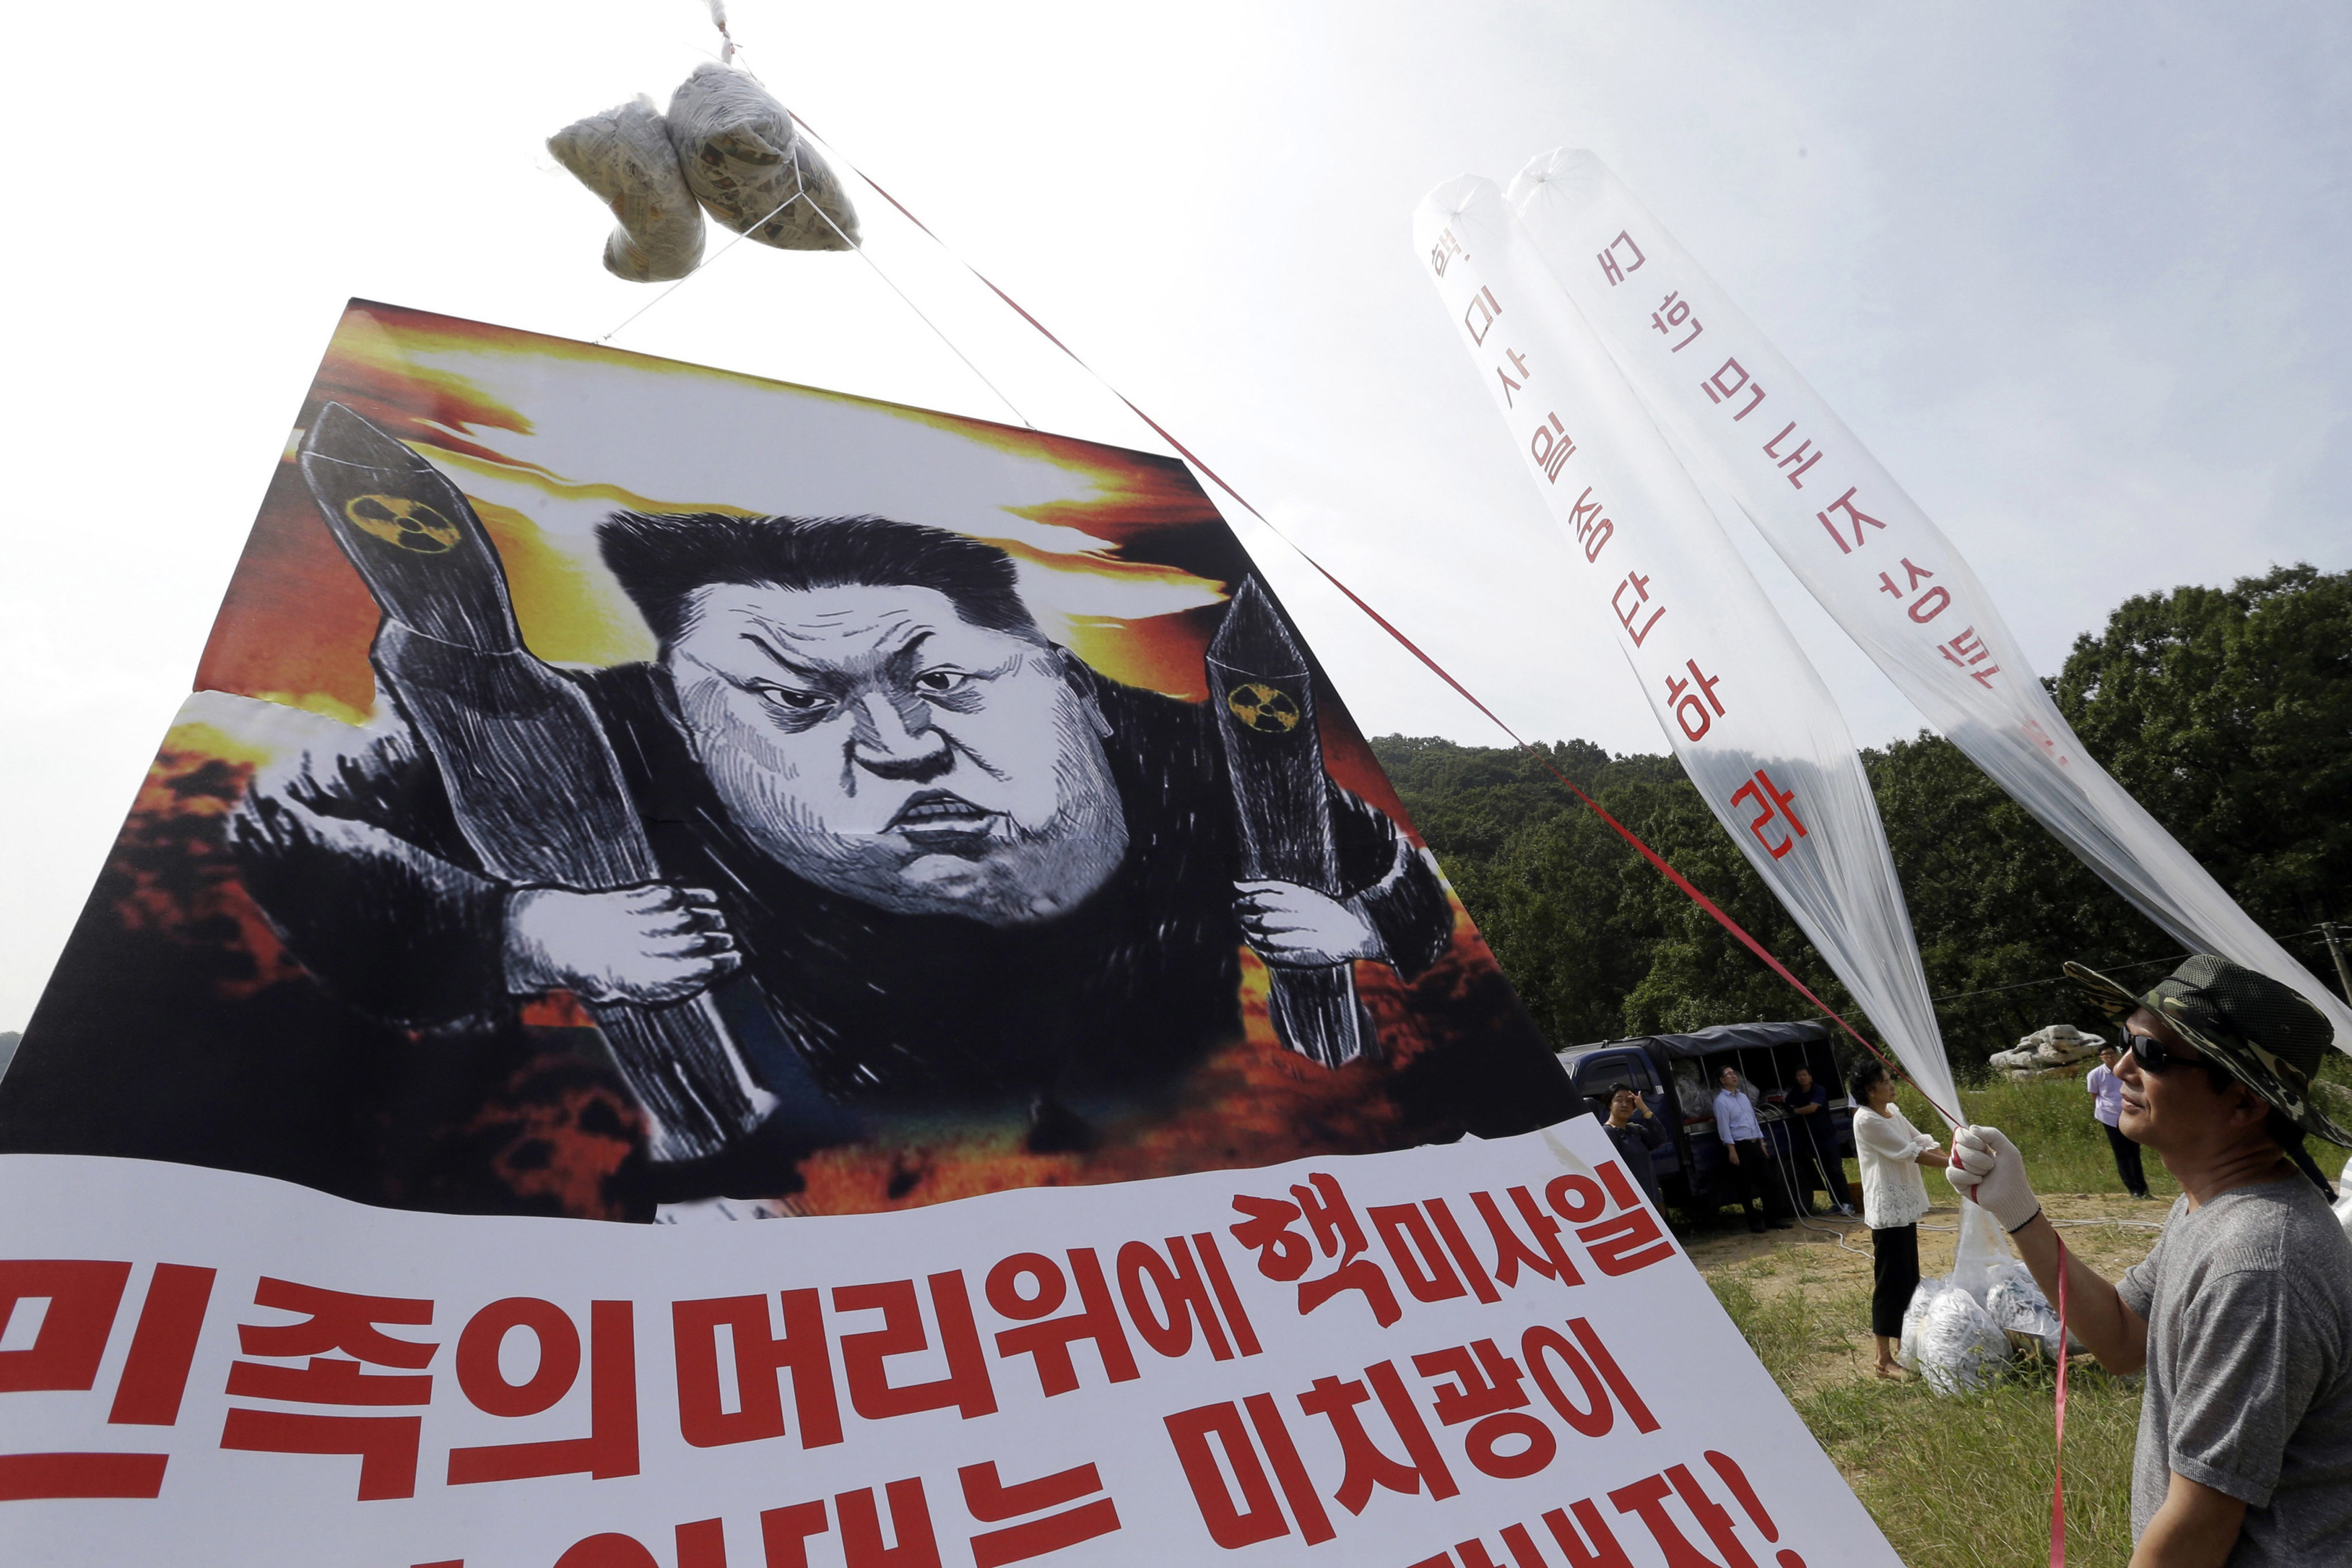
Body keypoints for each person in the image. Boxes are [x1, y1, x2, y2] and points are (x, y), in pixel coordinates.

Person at [229, 512, 1493, 1158]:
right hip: (844, 1226)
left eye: (943, 681)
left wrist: (1364, 920)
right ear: (677, 698)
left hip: (1215, 1186)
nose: (897, 744)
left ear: (1047, 667)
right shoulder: (590, 731)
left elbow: (1406, 887)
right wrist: (527, 929)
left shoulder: (1176, 745)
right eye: (797, 701)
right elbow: (281, 823)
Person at [1948, 956, 2352, 1565]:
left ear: (2244, 1104)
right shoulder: (2213, 1208)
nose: (2120, 1066)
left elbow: (2200, 1524)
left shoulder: (2259, 1265)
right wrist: (2020, 1211)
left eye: (2152, 1054)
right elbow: (2120, 1337)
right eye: (2124, 1043)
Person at [1849, 1056, 1949, 1380]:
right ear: (1870, 1089)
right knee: (1889, 1282)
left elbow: (1921, 1141)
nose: (1893, 1085)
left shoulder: (1892, 1112)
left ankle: (1909, 1346)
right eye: (1886, 1081)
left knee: (1909, 1277)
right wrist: (1956, 1166)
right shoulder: (1866, 1120)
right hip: (1887, 1209)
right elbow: (1913, 1154)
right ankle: (1883, 1359)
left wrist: (1959, 1156)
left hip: (1903, 1205)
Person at [1713, 1064, 1791, 1233]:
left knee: (1769, 1181)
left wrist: (1762, 1142)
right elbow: (1724, 1127)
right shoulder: (1721, 1101)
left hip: (1755, 1143)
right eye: (1729, 1074)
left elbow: (1753, 1120)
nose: (1733, 1076)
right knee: (1745, 1186)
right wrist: (1731, 1149)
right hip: (1739, 1145)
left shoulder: (1743, 1097)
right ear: (1722, 1080)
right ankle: (1754, 1223)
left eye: (1734, 1073)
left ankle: (1773, 1218)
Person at [1785, 1064, 1857, 1216]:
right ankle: (1836, 1203)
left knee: (1836, 1170)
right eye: (1799, 1076)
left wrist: (1796, 1111)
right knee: (1825, 1172)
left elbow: (1812, 1108)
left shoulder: (1819, 1090)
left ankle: (1848, 1203)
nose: (1802, 1078)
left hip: (1828, 1138)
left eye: (1805, 1075)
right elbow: (1787, 1103)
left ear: (1810, 1077)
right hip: (1812, 1140)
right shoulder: (1796, 1093)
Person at [2087, 1040, 2152, 1199]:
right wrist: (2105, 1110)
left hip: (2129, 1114)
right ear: (2101, 1058)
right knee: (2122, 1153)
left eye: (2112, 1053)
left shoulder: (2124, 1071)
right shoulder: (2095, 1075)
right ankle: (2133, 1189)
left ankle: (2143, 1189)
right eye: (2105, 1055)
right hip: (2109, 1116)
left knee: (2134, 1151)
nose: (2109, 1057)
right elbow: (2095, 1096)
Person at [1604, 1087, 1667, 1213]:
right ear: (1609, 1105)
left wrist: (1644, 1109)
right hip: (1632, 1205)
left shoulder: (1635, 1131)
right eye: (1619, 1100)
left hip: (1652, 1199)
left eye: (1629, 1102)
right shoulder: (1608, 1133)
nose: (1624, 1105)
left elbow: (1660, 1138)